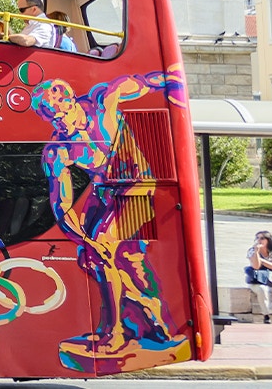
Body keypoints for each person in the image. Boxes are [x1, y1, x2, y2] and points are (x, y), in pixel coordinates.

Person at [33, 72, 190, 370]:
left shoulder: (102, 102)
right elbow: (61, 205)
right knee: (94, 257)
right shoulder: (58, 150)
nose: (59, 123)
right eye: (51, 119)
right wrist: (83, 240)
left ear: (68, 99)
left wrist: (173, 84)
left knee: (107, 246)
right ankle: (151, 323)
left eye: (59, 113)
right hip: (105, 191)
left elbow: (146, 81)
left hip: (135, 184)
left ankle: (114, 332)